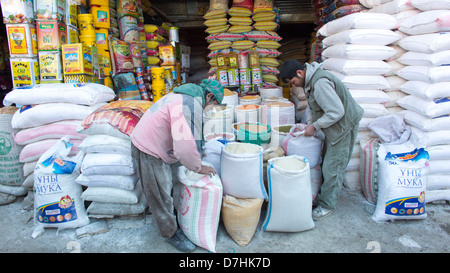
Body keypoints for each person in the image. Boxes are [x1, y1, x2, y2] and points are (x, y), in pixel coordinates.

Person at [131, 79, 224, 252]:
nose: (212, 109)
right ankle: (170, 233)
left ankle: (175, 217)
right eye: (214, 105)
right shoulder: (191, 104)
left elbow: (192, 133)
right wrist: (198, 166)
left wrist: (198, 152)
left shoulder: (188, 96)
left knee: (173, 182)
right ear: (209, 96)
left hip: (159, 142)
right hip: (148, 146)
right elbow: (184, 145)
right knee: (159, 193)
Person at [280, 60, 363, 221]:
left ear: (299, 72)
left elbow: (337, 111)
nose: (294, 85)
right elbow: (313, 107)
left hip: (343, 126)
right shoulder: (310, 82)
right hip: (335, 125)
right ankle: (324, 197)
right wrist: (310, 124)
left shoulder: (320, 83)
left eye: (293, 82)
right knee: (327, 162)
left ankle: (327, 205)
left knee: (333, 166)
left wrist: (316, 126)